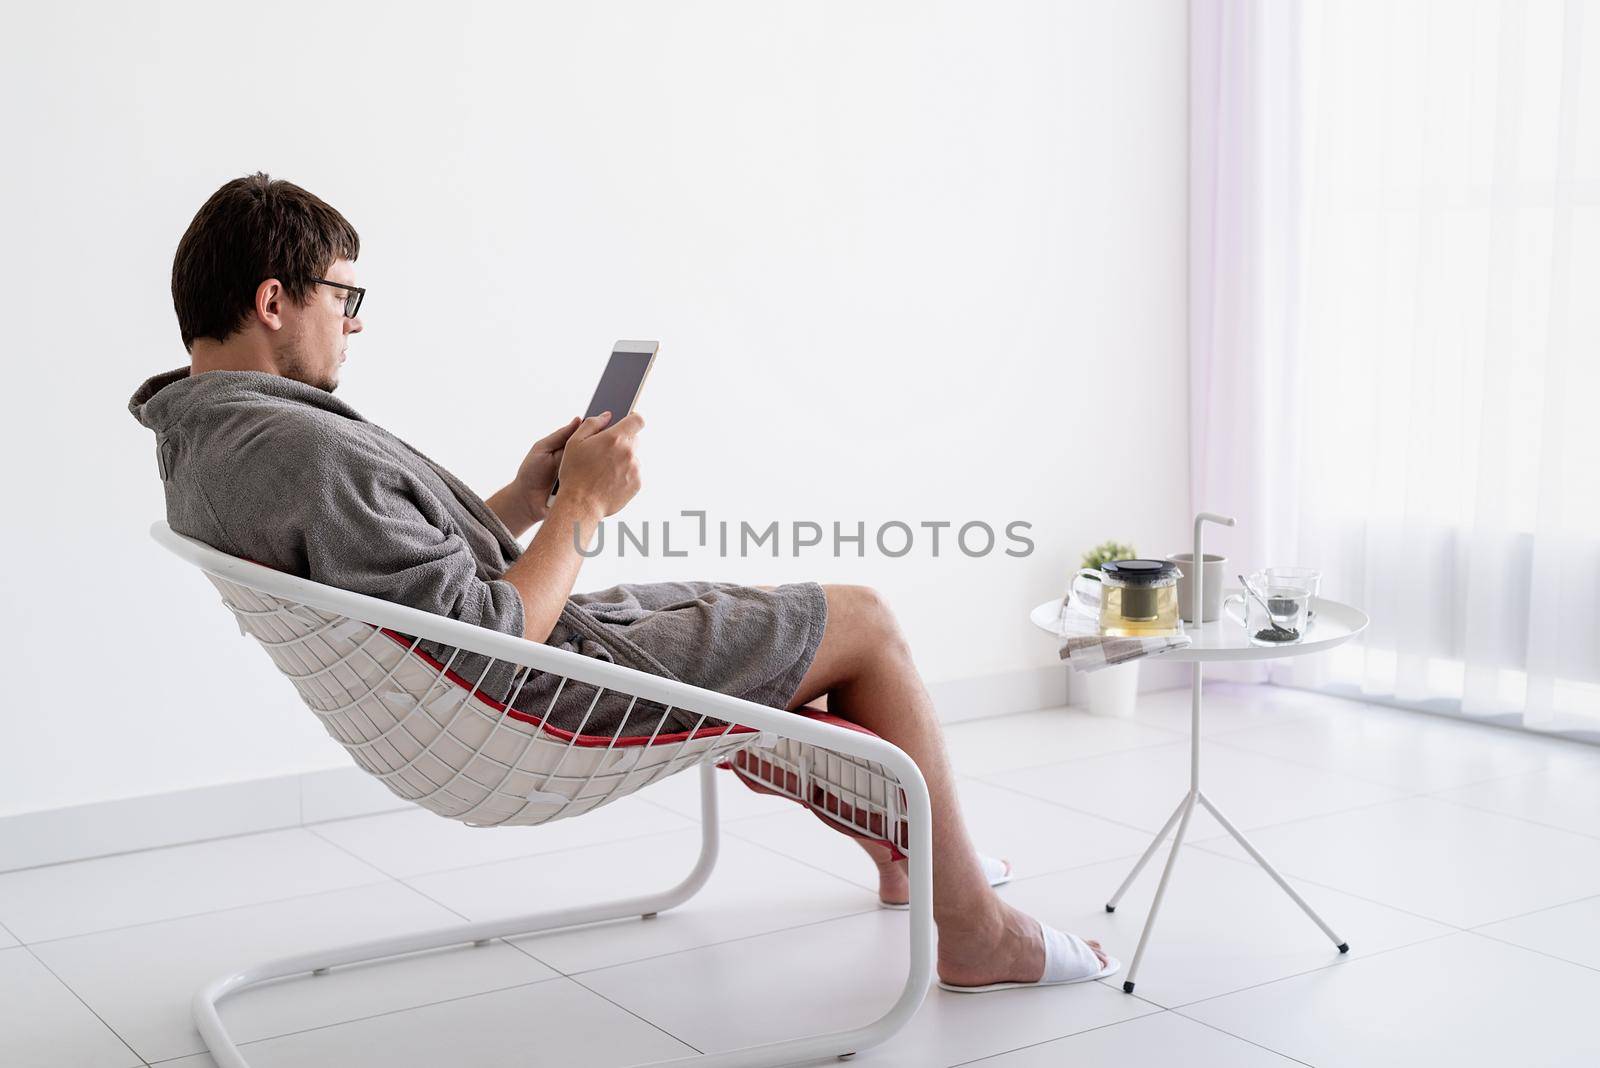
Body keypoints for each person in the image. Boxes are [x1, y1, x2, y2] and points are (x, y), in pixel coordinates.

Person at [128, 172, 1113, 992]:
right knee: (862, 619)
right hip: (534, 698)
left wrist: (522, 494)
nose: (353, 325)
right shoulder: (301, 446)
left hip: (473, 692)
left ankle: (913, 861)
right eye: (346, 299)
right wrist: (582, 510)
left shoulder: (208, 437)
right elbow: (493, 628)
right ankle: (977, 929)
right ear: (273, 300)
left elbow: (397, 582)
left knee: (775, 633)